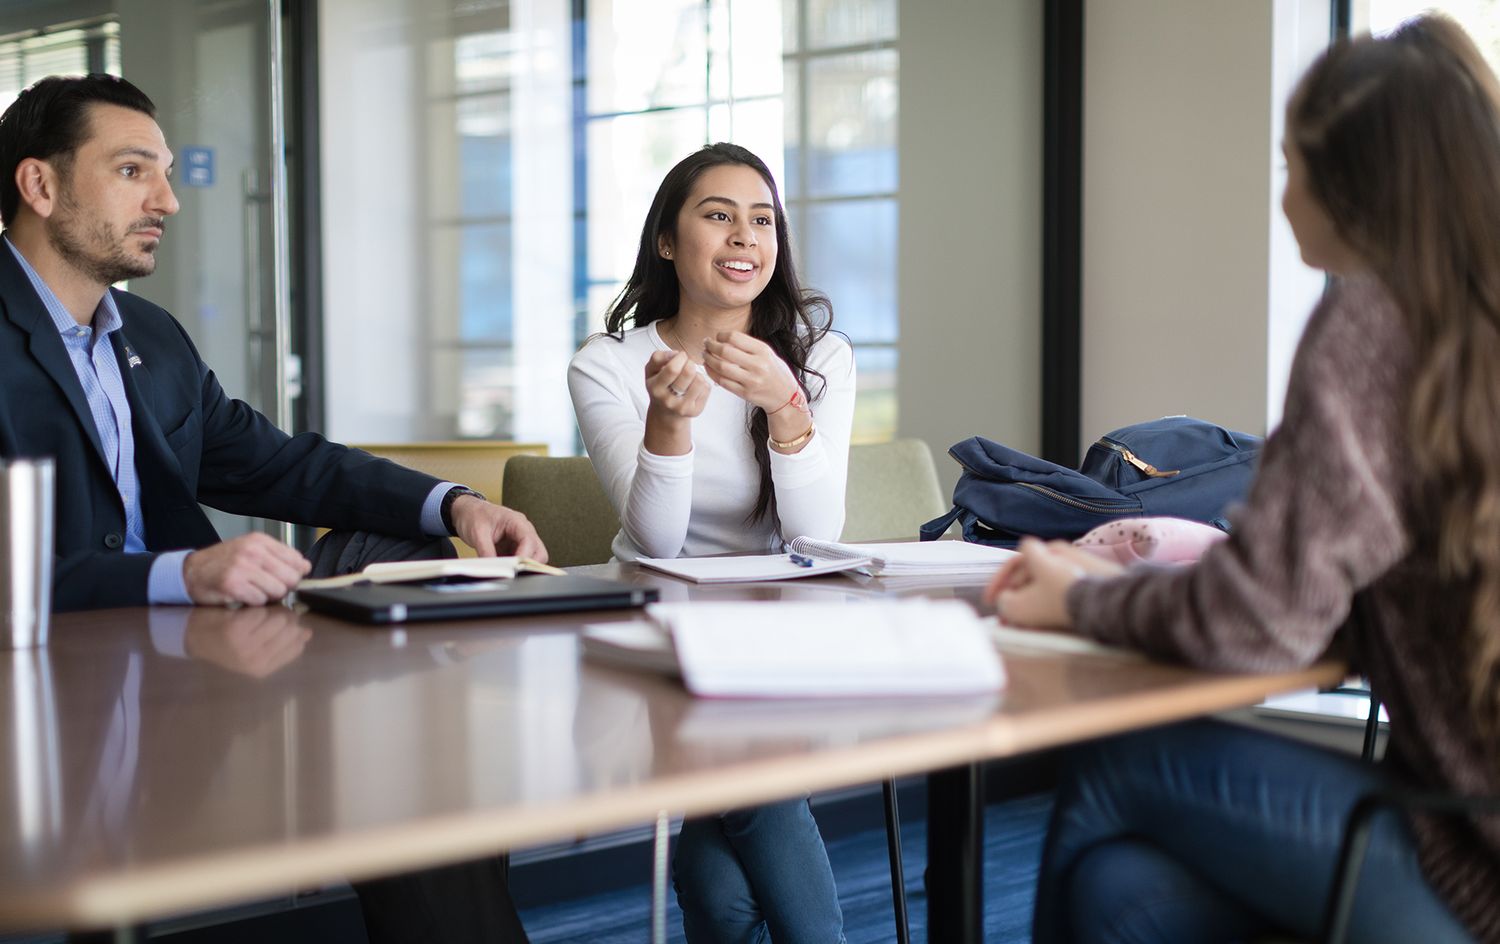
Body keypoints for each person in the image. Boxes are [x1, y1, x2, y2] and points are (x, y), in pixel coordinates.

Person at [984, 15, 1500, 944]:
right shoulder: (1469, 324)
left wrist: (1082, 606)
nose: (1284, 196)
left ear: (1352, 185)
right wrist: (1144, 587)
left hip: (1472, 866)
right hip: (1462, 824)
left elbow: (1262, 624)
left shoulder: (1371, 329)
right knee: (1118, 891)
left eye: (1291, 166)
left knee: (1116, 760)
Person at [0, 73, 542, 942]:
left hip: (197, 654)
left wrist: (452, 505)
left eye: (166, 173)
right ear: (40, 184)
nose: (168, 201)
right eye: (135, 171)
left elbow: (280, 465)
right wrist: (181, 572)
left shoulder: (152, 337)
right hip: (54, 665)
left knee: (410, 631)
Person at [568, 143, 855, 942]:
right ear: (667, 240)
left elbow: (814, 536)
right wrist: (670, 420)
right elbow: (656, 538)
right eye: (718, 216)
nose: (744, 239)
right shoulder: (610, 363)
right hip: (657, 631)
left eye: (761, 220)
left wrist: (787, 407)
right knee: (759, 783)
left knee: (726, 894)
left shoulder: (820, 358)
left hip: (781, 630)